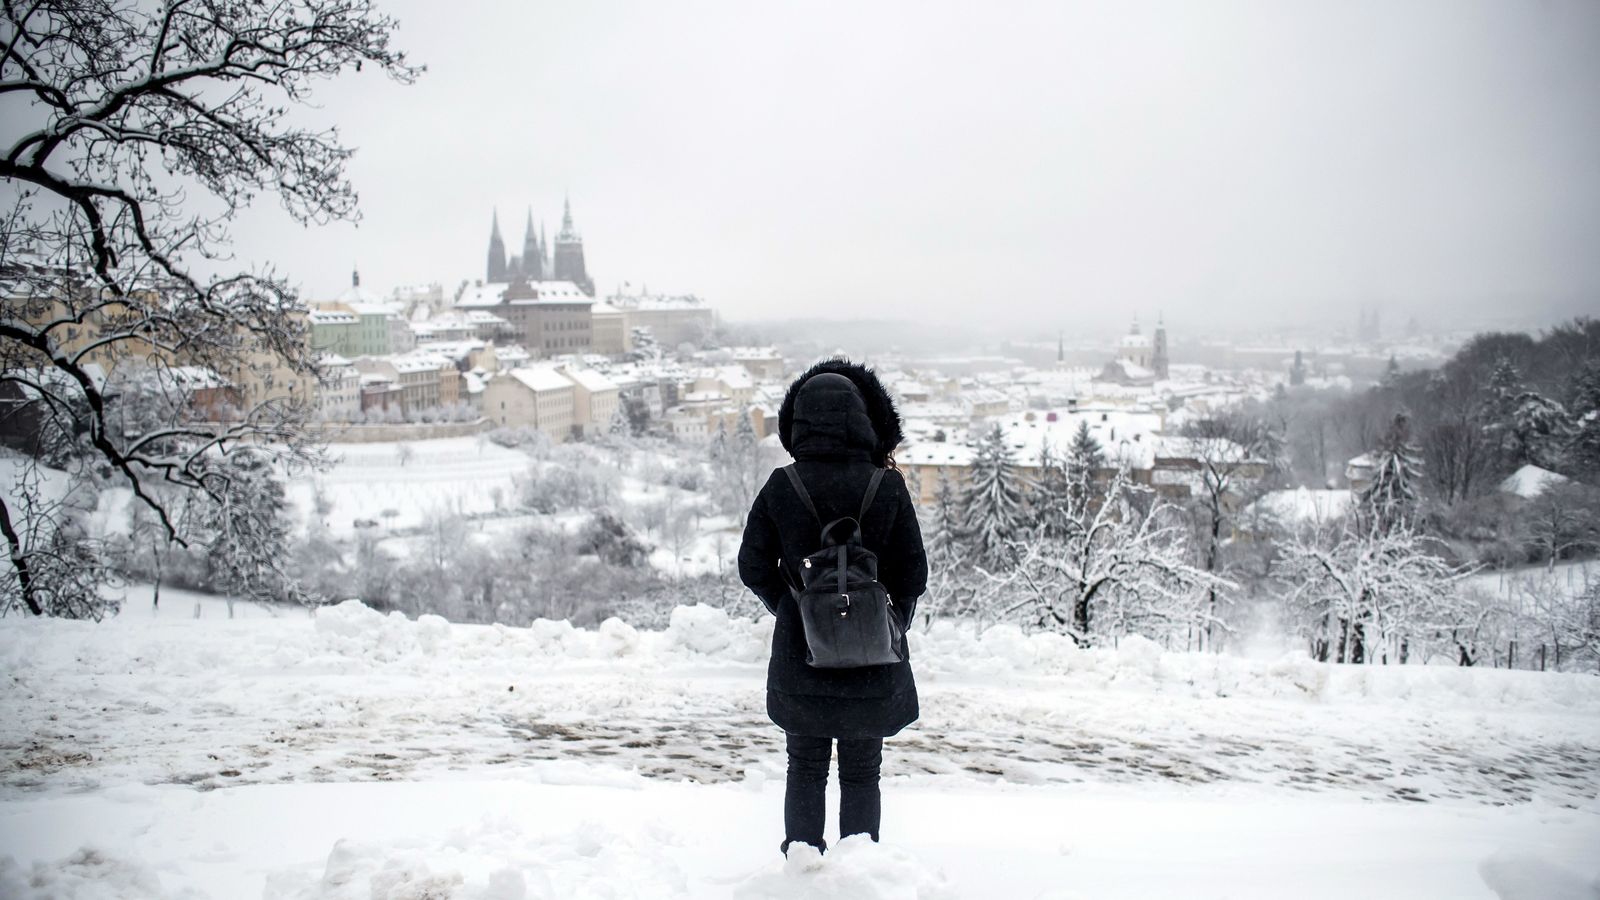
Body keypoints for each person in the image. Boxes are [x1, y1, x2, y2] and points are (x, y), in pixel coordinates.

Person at [738, 358, 928, 856]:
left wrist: (792, 609)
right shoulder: (886, 486)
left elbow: (752, 565)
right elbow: (914, 575)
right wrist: (888, 622)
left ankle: (801, 872)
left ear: (798, 422)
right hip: (873, 661)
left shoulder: (784, 485)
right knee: (863, 771)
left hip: (803, 660)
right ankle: (861, 876)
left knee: (804, 767)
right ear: (863, 418)